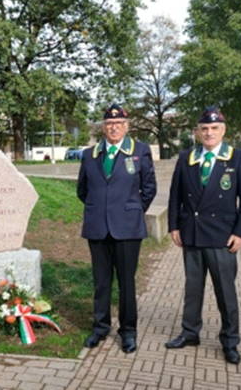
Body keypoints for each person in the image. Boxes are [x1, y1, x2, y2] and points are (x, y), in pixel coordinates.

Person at [165, 106, 241, 365]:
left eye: (214, 128)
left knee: (225, 292)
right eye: (204, 128)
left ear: (223, 131)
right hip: (191, 234)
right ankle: (190, 332)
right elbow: (175, 196)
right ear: (197, 132)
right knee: (193, 289)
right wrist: (173, 226)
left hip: (222, 237)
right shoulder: (186, 157)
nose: (209, 133)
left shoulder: (237, 158)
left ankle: (230, 341)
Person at [76, 104, 157, 353]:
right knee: (101, 282)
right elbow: (82, 190)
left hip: (128, 229)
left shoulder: (140, 151)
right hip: (98, 227)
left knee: (126, 283)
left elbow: (149, 188)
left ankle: (128, 331)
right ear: (103, 127)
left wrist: (131, 210)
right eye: (110, 124)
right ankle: (100, 327)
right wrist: (100, 209)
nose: (114, 127)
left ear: (127, 126)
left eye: (119, 123)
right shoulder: (90, 154)